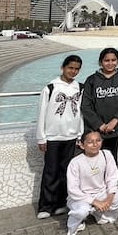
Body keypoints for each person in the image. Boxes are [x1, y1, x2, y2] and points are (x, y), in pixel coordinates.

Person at [36, 55, 84, 219]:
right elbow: (42, 113)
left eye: (77, 69)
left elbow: (80, 114)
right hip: (53, 136)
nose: (73, 71)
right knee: (50, 171)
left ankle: (60, 203)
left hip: (71, 136)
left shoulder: (80, 87)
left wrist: (79, 134)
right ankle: (45, 206)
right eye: (70, 67)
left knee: (66, 172)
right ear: (63, 67)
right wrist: (41, 137)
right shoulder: (50, 87)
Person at [65, 130, 118, 235]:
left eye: (98, 140)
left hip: (101, 192)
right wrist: (95, 202)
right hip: (81, 197)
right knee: (82, 211)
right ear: (82, 145)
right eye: (90, 142)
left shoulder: (106, 155)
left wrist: (109, 198)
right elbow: (73, 190)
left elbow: (112, 177)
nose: (95, 144)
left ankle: (100, 214)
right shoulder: (75, 162)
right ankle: (76, 222)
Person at [81, 48, 118, 162]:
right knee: (94, 161)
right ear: (100, 62)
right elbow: (85, 106)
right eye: (106, 60)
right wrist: (99, 125)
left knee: (111, 159)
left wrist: (114, 121)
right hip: (95, 130)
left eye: (113, 60)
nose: (110, 63)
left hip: (116, 128)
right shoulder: (92, 80)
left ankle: (111, 180)